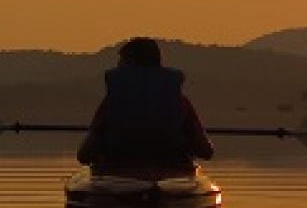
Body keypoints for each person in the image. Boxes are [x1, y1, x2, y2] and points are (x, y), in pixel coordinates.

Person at [76, 37, 214, 175]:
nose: (118, 65)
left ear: (130, 63)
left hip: (116, 172)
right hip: (173, 172)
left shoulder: (111, 103)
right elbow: (205, 151)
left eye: (121, 62)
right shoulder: (180, 102)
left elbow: (84, 155)